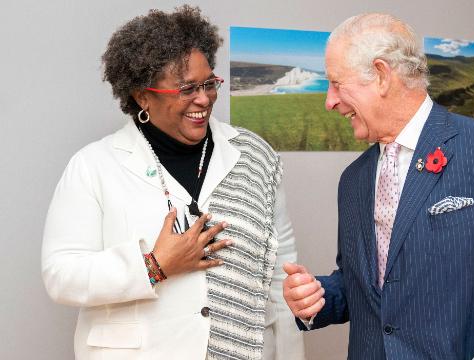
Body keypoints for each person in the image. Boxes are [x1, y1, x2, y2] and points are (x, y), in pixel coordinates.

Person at [283, 13, 474, 360]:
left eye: (337, 83)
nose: (329, 101)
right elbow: (369, 285)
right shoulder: (353, 180)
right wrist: (319, 297)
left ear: (382, 75)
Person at [41, 6, 304, 360]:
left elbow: (281, 278)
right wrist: (153, 265)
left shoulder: (255, 155)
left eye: (209, 84)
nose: (203, 99)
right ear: (141, 95)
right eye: (186, 88)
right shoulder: (94, 165)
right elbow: (61, 275)